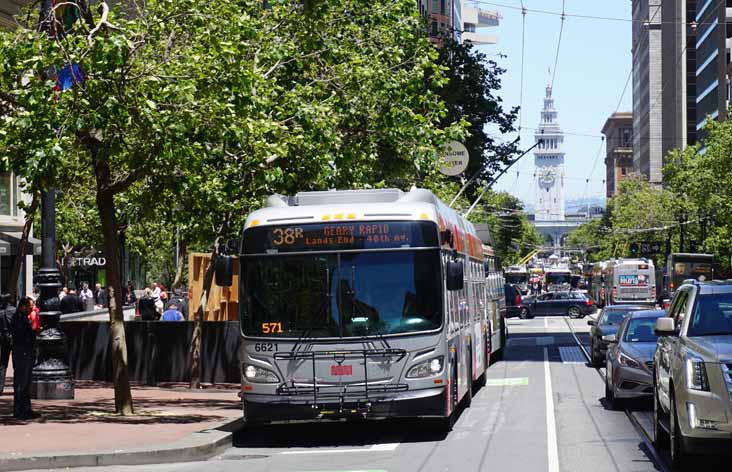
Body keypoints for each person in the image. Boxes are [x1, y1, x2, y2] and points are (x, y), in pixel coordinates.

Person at [11, 297, 35, 420]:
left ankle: (26, 409)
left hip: (24, 352)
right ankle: (19, 410)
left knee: (25, 383)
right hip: (22, 353)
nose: (32, 309)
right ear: (23, 306)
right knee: (21, 382)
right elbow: (21, 336)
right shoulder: (18, 319)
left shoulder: (23, 318)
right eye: (30, 307)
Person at [0, 294, 15, 395]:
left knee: (2, 364)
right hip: (14, 339)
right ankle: (17, 386)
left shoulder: (0, 312)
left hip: (3, 339)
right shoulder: (14, 311)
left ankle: (0, 387)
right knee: (17, 364)